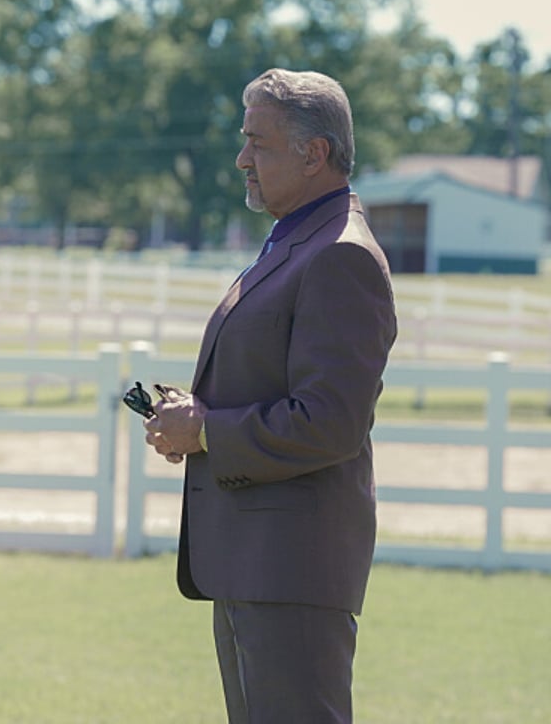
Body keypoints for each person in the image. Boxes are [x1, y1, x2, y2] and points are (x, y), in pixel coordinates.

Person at [145, 69, 397, 723]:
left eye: (258, 143)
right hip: (256, 564)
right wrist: (192, 413)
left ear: (315, 154)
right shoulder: (297, 240)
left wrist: (205, 431)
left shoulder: (341, 255)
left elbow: (329, 422)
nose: (242, 159)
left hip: (290, 569)